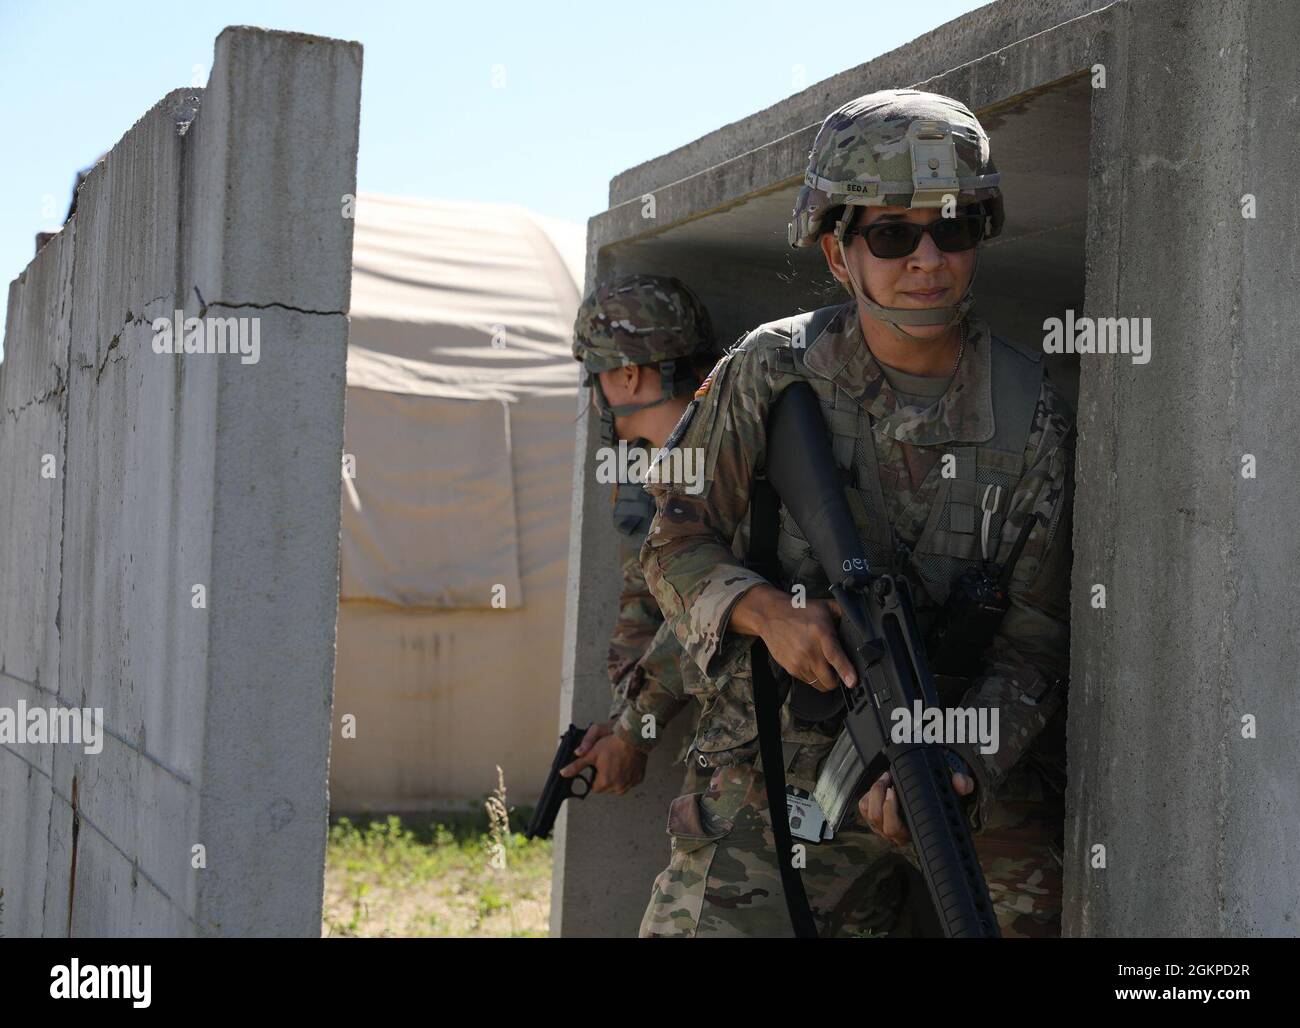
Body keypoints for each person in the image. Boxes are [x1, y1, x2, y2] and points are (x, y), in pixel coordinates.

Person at [637, 89, 1075, 938]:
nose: (927, 259)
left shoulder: (1034, 415)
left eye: (953, 228)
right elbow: (672, 541)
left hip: (949, 765)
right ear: (839, 255)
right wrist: (767, 614)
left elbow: (1036, 641)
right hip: (776, 763)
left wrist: (963, 764)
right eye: (891, 235)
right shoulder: (772, 371)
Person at [561, 275, 719, 799]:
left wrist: (633, 734)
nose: (598, 397)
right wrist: (623, 717)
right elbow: (643, 597)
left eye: (597, 378)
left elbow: (704, 608)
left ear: (628, 375)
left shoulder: (726, 457)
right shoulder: (649, 466)